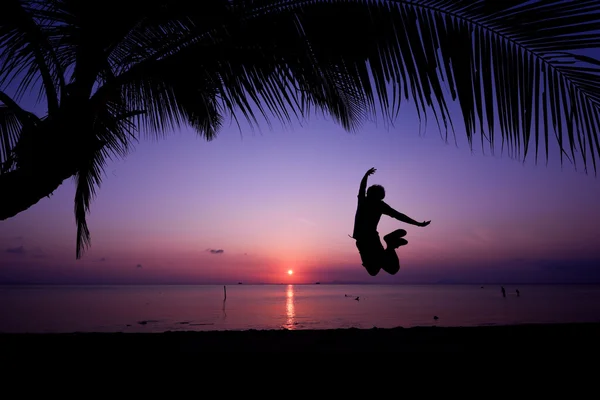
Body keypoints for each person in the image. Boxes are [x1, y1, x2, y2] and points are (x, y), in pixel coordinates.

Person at [351, 167, 431, 276]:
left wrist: (366, 175)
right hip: (367, 240)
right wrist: (418, 224)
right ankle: (390, 243)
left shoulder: (370, 203)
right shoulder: (369, 202)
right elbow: (399, 216)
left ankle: (390, 243)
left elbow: (399, 215)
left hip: (367, 240)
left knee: (380, 270)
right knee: (380, 270)